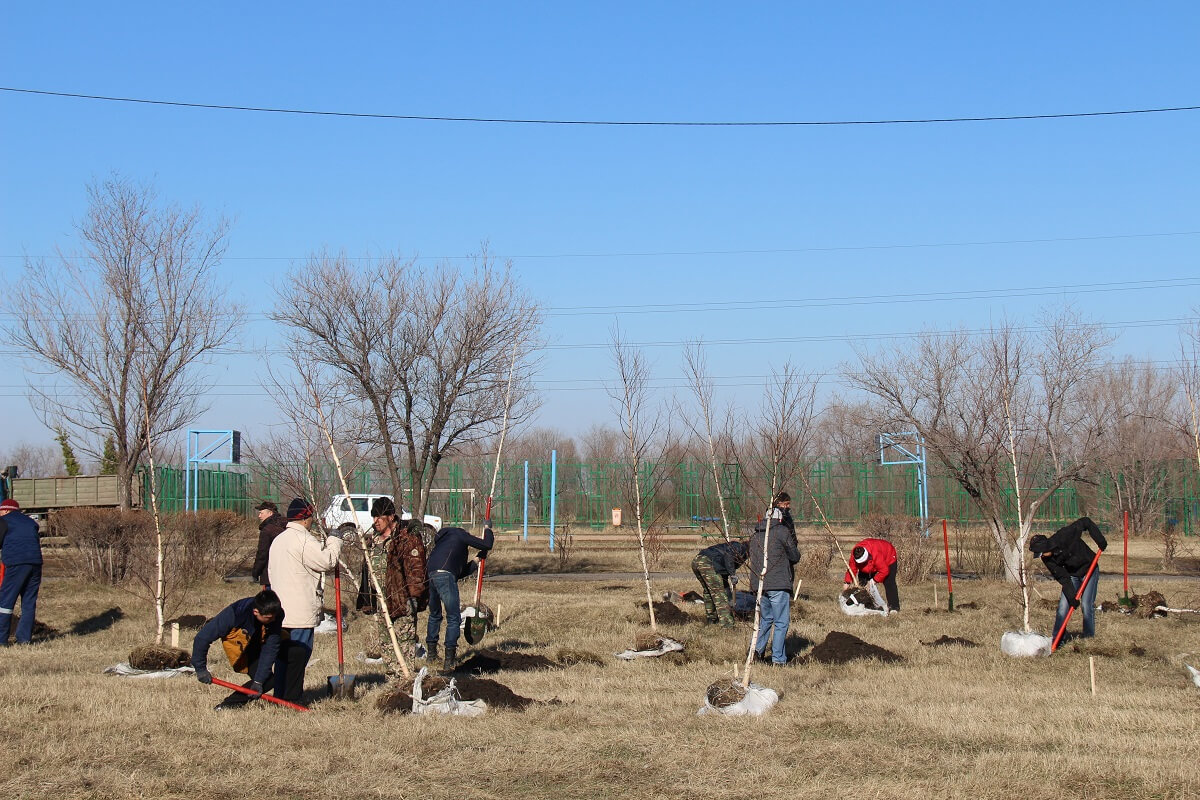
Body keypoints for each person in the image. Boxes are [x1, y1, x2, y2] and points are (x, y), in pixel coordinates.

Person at [267, 497, 343, 706]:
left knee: (282, 657)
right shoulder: (303, 540)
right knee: (298, 657)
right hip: (299, 612)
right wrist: (335, 540)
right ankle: (292, 699)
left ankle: (280, 695)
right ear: (305, 518)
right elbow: (326, 560)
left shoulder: (278, 540)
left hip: (280, 610)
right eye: (310, 517)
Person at [362, 497, 428, 677]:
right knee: (386, 644)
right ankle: (393, 678)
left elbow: (417, 569)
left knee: (404, 642)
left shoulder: (406, 538)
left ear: (391, 517)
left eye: (379, 517)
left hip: (402, 600)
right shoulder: (373, 541)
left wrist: (413, 597)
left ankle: (406, 680)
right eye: (373, 517)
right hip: (382, 602)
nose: (375, 521)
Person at [191, 589, 284, 710]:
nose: (273, 620)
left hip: (259, 642)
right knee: (266, 679)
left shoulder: (276, 615)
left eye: (275, 617)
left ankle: (227, 706)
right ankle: (226, 707)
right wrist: (200, 668)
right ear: (256, 612)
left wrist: (258, 682)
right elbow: (202, 638)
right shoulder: (235, 614)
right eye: (269, 618)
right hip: (239, 644)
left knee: (267, 680)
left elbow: (271, 648)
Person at [425, 523, 494, 672]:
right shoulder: (459, 534)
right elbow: (487, 544)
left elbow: (457, 572)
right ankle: (449, 660)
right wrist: (488, 529)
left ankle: (431, 655)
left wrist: (476, 561)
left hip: (429, 576)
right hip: (444, 576)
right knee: (453, 617)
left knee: (435, 615)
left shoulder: (442, 543)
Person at [1029, 516, 1107, 641]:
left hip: (1089, 569)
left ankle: (1088, 638)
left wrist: (1100, 539)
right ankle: (1057, 639)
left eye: (1042, 553)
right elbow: (1062, 577)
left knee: (1086, 605)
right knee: (1063, 607)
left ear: (1046, 547)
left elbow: (1085, 521)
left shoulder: (1064, 535)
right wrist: (1071, 596)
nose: (1042, 556)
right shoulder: (1047, 559)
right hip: (1072, 575)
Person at [749, 507, 800, 665]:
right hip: (778, 583)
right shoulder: (782, 531)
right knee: (781, 622)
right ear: (779, 519)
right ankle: (778, 659)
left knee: (766, 619)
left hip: (759, 585)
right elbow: (795, 555)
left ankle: (757, 652)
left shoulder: (755, 535)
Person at [0, 498, 42, 645]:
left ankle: (1, 640)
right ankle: (24, 640)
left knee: (6, 601)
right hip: (36, 563)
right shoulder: (31, 522)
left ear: (5, 510)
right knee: (29, 602)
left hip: (17, 563)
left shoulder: (4, 520)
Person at [691, 539, 749, 627]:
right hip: (708, 563)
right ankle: (727, 624)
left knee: (708, 592)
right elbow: (728, 557)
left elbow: (723, 565)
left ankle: (712, 620)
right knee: (719, 595)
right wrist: (732, 574)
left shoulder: (733, 547)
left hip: (697, 560)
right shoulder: (739, 548)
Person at [844, 538, 901, 614]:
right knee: (862, 583)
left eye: (863, 561)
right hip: (870, 564)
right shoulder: (855, 554)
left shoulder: (876, 553)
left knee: (889, 582)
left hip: (889, 557)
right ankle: (868, 605)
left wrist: (873, 581)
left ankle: (894, 607)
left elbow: (884, 570)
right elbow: (852, 568)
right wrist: (847, 582)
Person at [250, 500, 287, 587]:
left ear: (270, 513)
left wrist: (255, 572)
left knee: (271, 600)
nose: (259, 516)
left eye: (261, 513)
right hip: (288, 573)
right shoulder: (287, 526)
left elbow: (262, 554)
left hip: (271, 575)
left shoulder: (267, 530)